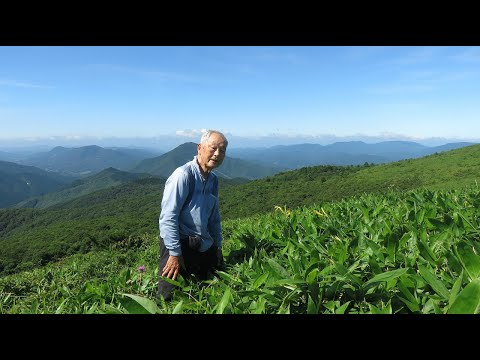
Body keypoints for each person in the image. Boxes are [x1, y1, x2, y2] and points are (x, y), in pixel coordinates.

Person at [157, 130, 228, 301]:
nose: (217, 154)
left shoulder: (213, 180)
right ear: (199, 148)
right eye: (213, 148)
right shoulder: (183, 176)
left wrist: (217, 246)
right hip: (178, 242)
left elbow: (214, 217)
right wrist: (174, 254)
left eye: (222, 150)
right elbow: (168, 217)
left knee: (210, 286)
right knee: (168, 296)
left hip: (201, 241)